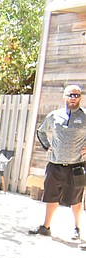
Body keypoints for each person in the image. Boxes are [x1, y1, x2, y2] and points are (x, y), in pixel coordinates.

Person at [30, 84, 86, 241]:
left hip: (77, 166)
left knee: (76, 199)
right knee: (51, 197)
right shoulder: (54, 116)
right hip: (55, 164)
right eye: (70, 95)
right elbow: (41, 131)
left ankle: (77, 229)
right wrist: (47, 146)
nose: (73, 98)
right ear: (64, 97)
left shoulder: (84, 117)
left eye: (76, 95)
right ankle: (46, 227)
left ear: (80, 97)